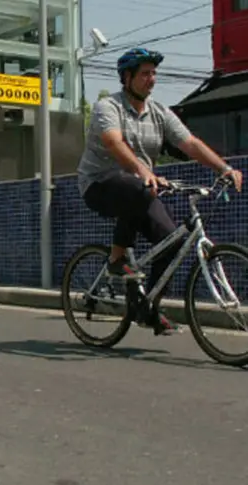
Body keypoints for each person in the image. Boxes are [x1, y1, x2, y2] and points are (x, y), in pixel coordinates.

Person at [77, 47, 243, 336]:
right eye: (144, 74)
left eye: (153, 74)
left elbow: (189, 143)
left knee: (172, 242)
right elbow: (114, 143)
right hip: (99, 184)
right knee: (137, 188)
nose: (151, 79)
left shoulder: (159, 112)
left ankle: (147, 307)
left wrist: (224, 169)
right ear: (126, 78)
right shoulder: (108, 107)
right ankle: (116, 260)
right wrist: (144, 171)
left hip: (139, 188)